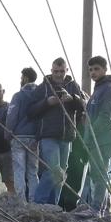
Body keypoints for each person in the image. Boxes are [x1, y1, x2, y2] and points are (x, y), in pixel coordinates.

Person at [28, 58, 84, 205]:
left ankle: (53, 207)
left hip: (67, 136)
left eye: (61, 71)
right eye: (55, 71)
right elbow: (31, 111)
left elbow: (84, 106)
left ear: (66, 71)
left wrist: (72, 99)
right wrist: (47, 102)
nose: (58, 74)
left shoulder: (73, 86)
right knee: (54, 170)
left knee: (61, 174)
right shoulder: (43, 88)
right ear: (51, 71)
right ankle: (38, 203)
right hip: (48, 135)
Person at [75, 55, 111, 212]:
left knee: (99, 175)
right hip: (95, 140)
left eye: (96, 69)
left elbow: (106, 117)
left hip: (103, 139)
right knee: (96, 175)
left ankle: (96, 209)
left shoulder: (108, 89)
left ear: (105, 70)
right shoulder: (98, 88)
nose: (93, 72)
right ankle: (97, 209)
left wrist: (92, 129)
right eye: (91, 70)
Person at [8, 68, 43, 202]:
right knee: (33, 171)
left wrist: (8, 133)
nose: (20, 80)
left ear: (26, 78)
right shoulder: (40, 95)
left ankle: (21, 201)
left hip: (18, 137)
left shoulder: (18, 96)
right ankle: (34, 201)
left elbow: (12, 116)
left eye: (21, 77)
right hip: (34, 137)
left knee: (19, 170)